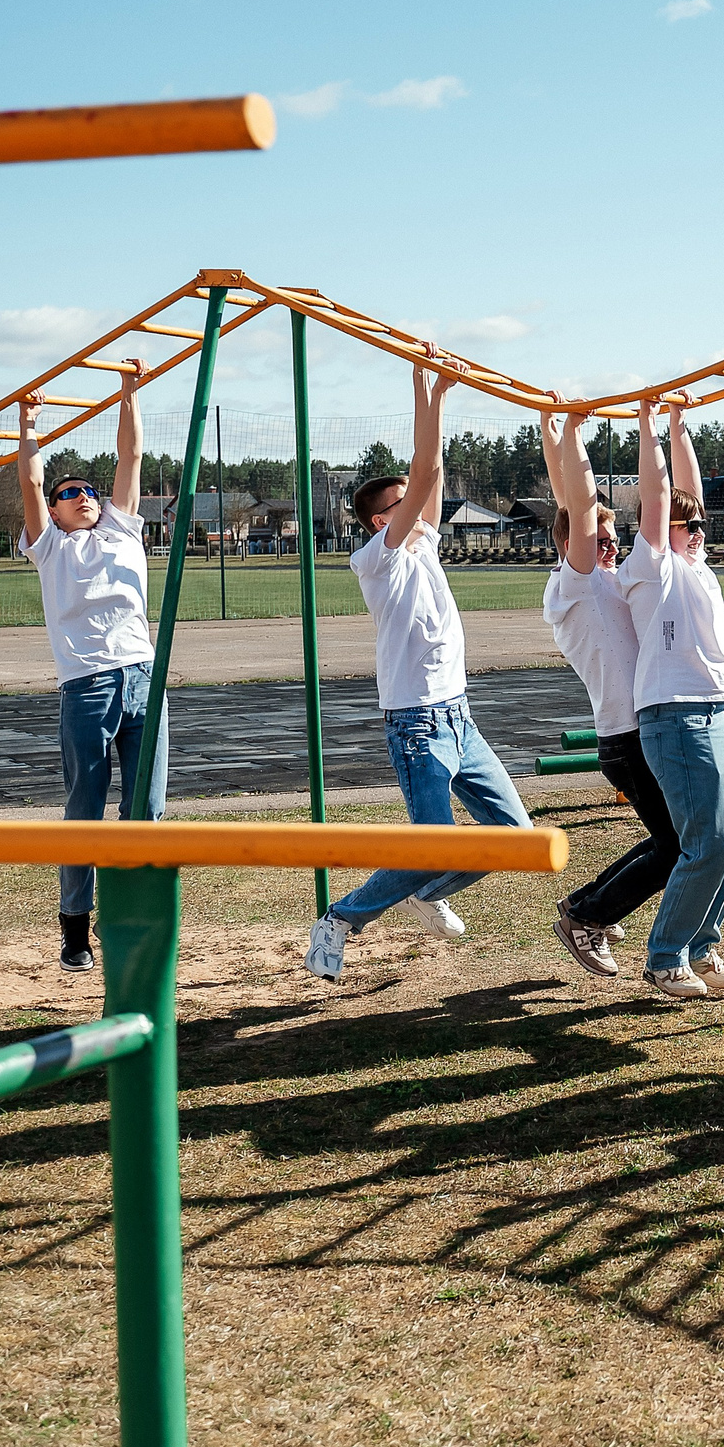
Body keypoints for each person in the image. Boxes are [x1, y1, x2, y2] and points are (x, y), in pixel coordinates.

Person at [305, 351, 533, 981]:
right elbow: (427, 469)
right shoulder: (376, 559)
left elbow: (431, 478)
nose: (419, 510)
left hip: (458, 715)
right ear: (381, 521)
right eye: (403, 505)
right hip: (417, 722)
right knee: (433, 838)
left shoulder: (422, 541)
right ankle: (342, 919)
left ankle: (426, 894)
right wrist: (427, 390)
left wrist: (438, 395)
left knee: (512, 836)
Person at [16, 361, 164, 972]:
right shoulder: (51, 546)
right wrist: (29, 423)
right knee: (85, 803)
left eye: (88, 492)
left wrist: (129, 394)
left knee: (147, 807)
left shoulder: (124, 529)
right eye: (69, 493)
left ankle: (135, 917)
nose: (84, 498)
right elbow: (28, 483)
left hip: (142, 677)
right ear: (53, 510)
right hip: (87, 683)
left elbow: (129, 460)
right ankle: (74, 926)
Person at [614, 395, 724, 999]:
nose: (699, 532)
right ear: (659, 530)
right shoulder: (652, 567)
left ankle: (701, 946)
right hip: (675, 717)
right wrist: (648, 430)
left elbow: (686, 491)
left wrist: (678, 427)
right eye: (687, 526)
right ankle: (665, 954)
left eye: (702, 525)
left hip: (720, 711)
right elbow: (658, 498)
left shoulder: (695, 563)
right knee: (708, 841)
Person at [537, 407, 663, 978]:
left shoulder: (603, 580)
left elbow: (571, 505)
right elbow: (579, 509)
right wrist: (573, 433)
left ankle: (589, 911)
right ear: (573, 548)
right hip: (626, 738)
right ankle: (587, 914)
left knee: (677, 838)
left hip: (645, 730)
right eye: (602, 542)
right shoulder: (575, 585)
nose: (610, 549)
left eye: (616, 542)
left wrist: (551, 431)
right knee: (681, 841)